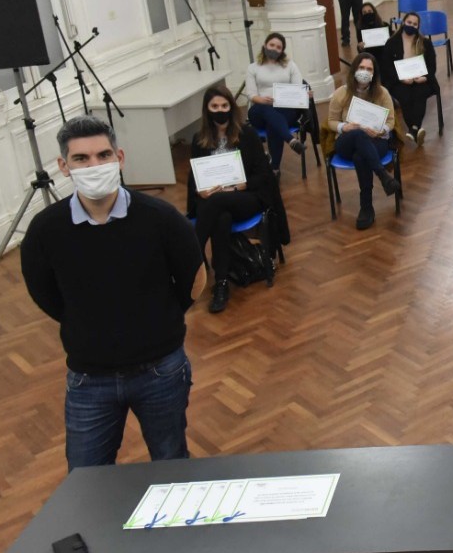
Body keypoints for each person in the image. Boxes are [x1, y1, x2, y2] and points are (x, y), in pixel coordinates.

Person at [20, 116, 205, 469]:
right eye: (81, 159)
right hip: (89, 378)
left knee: (171, 465)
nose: (94, 166)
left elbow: (194, 280)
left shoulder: (161, 218)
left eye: (103, 155)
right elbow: (44, 292)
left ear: (119, 158)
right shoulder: (46, 230)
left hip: (160, 370)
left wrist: (159, 318)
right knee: (85, 478)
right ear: (63, 166)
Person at [187, 86, 288, 313]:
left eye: (224, 106)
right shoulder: (199, 139)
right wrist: (199, 191)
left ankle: (192, 254)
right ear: (207, 110)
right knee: (220, 217)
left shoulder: (247, 134)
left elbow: (263, 175)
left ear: (231, 108)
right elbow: (194, 178)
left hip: (246, 196)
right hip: (215, 199)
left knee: (216, 204)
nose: (220, 110)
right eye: (215, 107)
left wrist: (241, 185)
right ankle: (221, 284)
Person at [328, 52, 401, 230]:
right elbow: (331, 121)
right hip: (347, 140)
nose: (365, 72)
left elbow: (391, 121)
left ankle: (366, 207)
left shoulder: (382, 93)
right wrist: (343, 127)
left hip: (375, 140)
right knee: (358, 134)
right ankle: (383, 175)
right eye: (361, 68)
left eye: (369, 69)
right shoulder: (341, 93)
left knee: (361, 156)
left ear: (374, 73)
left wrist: (379, 130)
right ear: (354, 69)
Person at [244, 32, 308, 175]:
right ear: (265, 46)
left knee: (272, 123)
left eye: (278, 47)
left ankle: (275, 169)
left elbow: (297, 89)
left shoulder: (290, 66)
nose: (274, 49)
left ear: (282, 51)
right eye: (271, 45)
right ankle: (290, 140)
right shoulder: (253, 68)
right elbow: (250, 94)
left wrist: (302, 94)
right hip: (260, 108)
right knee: (267, 112)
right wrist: (260, 100)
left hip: (286, 109)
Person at [378, 11, 438, 146]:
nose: (411, 25)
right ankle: (416, 128)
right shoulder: (392, 42)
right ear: (403, 22)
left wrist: (425, 77)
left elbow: (432, 66)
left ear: (418, 27)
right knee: (404, 96)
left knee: (419, 94)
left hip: (421, 79)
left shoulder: (425, 43)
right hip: (399, 80)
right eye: (409, 22)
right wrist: (401, 79)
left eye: (415, 24)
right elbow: (386, 67)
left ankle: (413, 128)